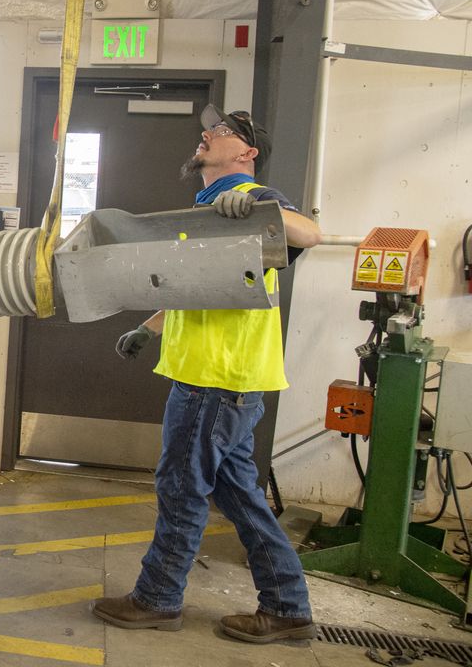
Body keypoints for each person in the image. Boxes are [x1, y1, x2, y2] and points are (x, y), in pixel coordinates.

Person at [92, 105, 323, 644]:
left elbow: (310, 233)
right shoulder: (203, 209)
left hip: (217, 380)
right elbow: (193, 286)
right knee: (239, 495)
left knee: (180, 487)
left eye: (220, 132)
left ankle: (158, 598)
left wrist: (260, 205)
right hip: (219, 378)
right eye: (207, 130)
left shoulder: (257, 201)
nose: (206, 135)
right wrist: (149, 327)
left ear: (247, 154)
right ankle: (288, 606)